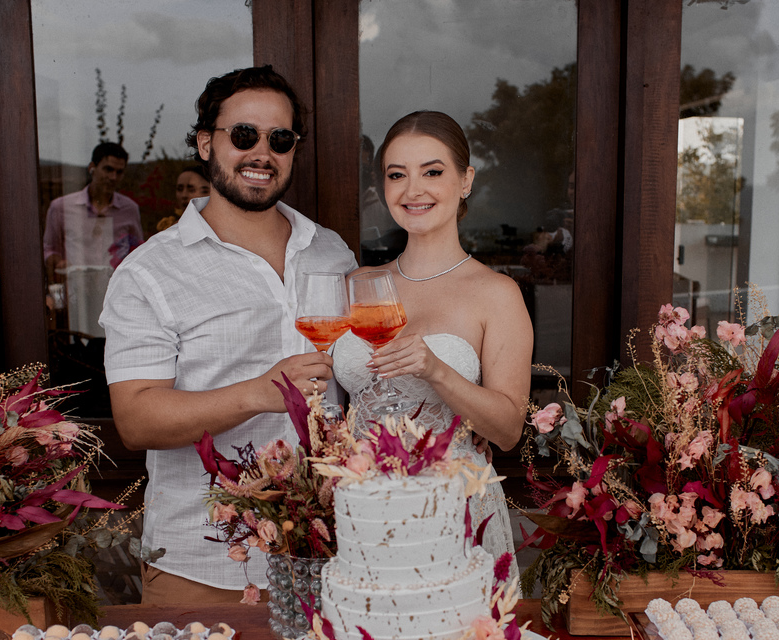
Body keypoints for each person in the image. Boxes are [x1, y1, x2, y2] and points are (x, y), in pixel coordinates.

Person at [100, 65, 355, 605]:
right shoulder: (150, 272)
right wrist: (258, 393)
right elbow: (136, 417)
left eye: (279, 139)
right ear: (203, 143)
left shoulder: (331, 251)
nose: (262, 152)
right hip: (203, 562)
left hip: (330, 556)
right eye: (244, 135)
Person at [334, 111, 533, 566]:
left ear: (465, 180)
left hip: (455, 509)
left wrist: (437, 371)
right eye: (396, 175)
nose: (413, 190)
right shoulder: (360, 284)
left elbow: (505, 431)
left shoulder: (497, 294)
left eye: (433, 172)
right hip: (360, 507)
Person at [42, 141, 143, 280]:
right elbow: (49, 248)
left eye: (119, 172)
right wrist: (56, 261)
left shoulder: (130, 209)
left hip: (114, 290)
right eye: (108, 169)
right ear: (92, 168)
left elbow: (138, 253)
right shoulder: (61, 207)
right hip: (77, 291)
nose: (113, 177)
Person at [155, 166, 211, 232]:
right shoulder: (170, 229)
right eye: (179, 189)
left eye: (191, 190)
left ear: (208, 192)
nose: (184, 195)